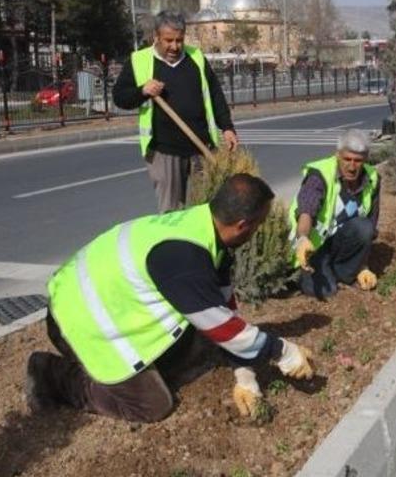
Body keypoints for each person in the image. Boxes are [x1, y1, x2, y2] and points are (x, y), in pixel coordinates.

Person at [26, 174, 315, 423]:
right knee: (152, 404)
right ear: (242, 225)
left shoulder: (204, 230)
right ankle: (51, 374)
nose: (258, 232)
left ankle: (144, 369)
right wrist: (283, 352)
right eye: (258, 225)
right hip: (74, 321)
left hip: (96, 303)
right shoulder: (185, 258)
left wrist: (245, 375)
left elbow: (225, 316)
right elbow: (221, 327)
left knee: (201, 341)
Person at [113, 11, 239, 213]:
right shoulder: (139, 61)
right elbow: (120, 97)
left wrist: (227, 127)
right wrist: (142, 91)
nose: (174, 46)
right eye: (168, 40)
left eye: (179, 40)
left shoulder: (196, 58)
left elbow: (215, 93)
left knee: (205, 210)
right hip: (164, 151)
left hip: (201, 148)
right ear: (156, 36)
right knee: (171, 213)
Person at [291, 129, 380, 299]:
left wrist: (363, 267)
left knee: (364, 227)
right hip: (313, 249)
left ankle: (340, 272)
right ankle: (307, 274)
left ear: (366, 159)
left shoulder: (372, 178)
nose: (352, 167)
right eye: (347, 159)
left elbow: (371, 223)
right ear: (338, 155)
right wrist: (302, 238)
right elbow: (306, 210)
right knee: (327, 292)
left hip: (339, 243)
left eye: (358, 161)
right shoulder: (320, 175)